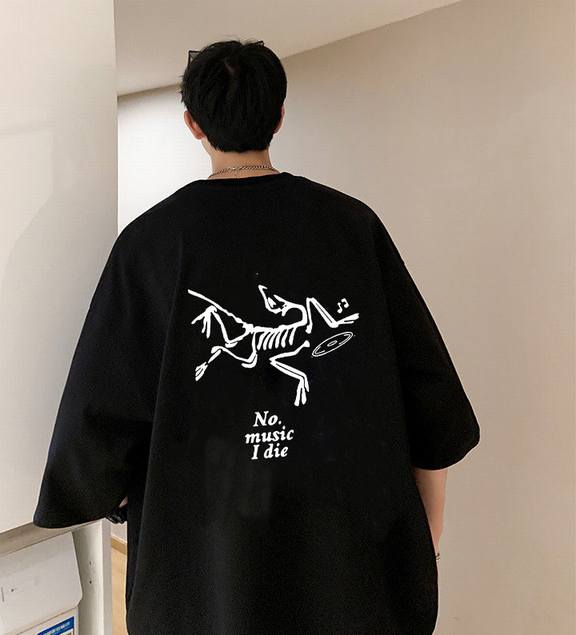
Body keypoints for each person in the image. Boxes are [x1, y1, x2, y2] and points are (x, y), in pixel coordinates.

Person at [33, 38, 480, 634]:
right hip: (350, 569)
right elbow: (431, 399)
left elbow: (101, 409)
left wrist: (106, 488)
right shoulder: (352, 227)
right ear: (279, 115)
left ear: (193, 124)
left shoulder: (150, 244)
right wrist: (427, 541)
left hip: (206, 574)